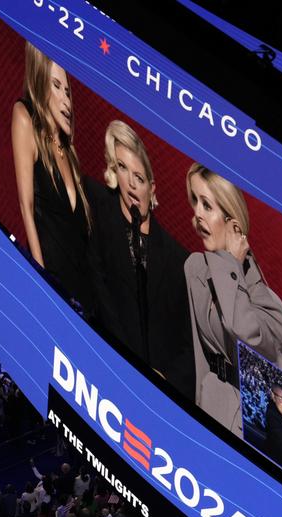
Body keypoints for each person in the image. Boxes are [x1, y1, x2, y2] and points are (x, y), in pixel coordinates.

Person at [88, 120, 195, 400]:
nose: (132, 185)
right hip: (106, 377)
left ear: (152, 188)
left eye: (140, 176)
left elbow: (190, 347)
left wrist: (166, 379)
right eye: (123, 169)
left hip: (156, 396)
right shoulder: (99, 221)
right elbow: (98, 302)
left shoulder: (178, 260)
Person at [183, 163, 282, 436]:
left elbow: (241, 329)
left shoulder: (271, 309)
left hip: (244, 428)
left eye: (207, 206)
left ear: (234, 224)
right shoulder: (195, 269)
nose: (196, 214)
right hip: (204, 407)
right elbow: (198, 355)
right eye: (195, 201)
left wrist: (232, 263)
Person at [11, 41, 96, 318]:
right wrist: (41, 281)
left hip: (84, 284)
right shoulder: (25, 118)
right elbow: (26, 206)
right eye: (56, 86)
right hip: (55, 285)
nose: (66, 100)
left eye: (68, 91)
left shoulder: (68, 151)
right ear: (39, 81)